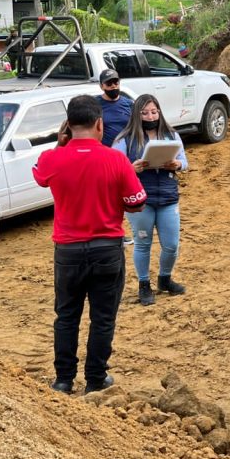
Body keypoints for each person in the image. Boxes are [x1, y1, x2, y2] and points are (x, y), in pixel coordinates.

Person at [33, 94, 147, 395]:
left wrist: (60, 145)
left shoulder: (52, 158)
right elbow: (137, 201)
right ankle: (96, 378)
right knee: (103, 317)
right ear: (100, 123)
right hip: (106, 248)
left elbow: (41, 178)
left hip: (68, 250)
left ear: (68, 126)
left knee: (67, 315)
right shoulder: (115, 159)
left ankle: (63, 379)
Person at [112, 94, 188, 306]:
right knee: (143, 242)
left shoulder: (170, 134)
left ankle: (165, 279)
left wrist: (177, 165)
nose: (150, 116)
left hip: (167, 196)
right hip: (139, 199)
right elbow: (113, 167)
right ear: (137, 115)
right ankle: (144, 285)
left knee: (171, 245)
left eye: (154, 112)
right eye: (145, 113)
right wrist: (130, 168)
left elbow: (184, 161)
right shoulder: (124, 139)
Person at [98, 69, 134, 147]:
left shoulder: (129, 104)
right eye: (109, 83)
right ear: (101, 86)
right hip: (105, 150)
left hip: (126, 150)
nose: (113, 86)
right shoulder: (94, 104)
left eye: (116, 82)